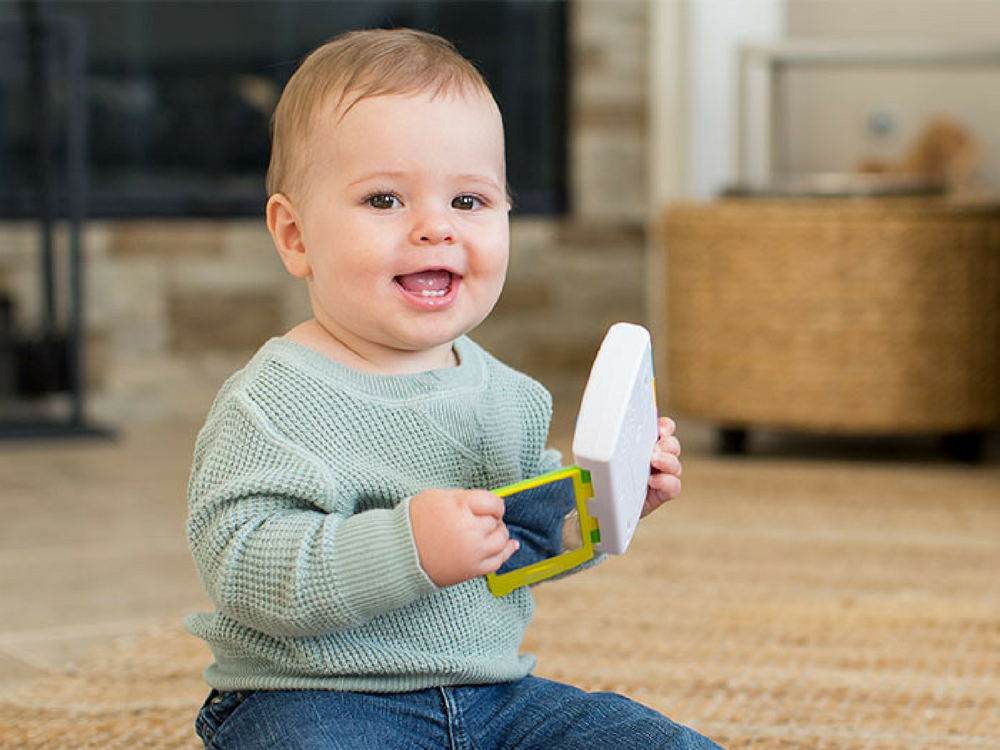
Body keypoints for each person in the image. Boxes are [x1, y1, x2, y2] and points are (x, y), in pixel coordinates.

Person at [186, 27, 724, 750]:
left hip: (494, 696)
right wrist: (406, 547)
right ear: (296, 236)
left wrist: (605, 503)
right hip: (316, 701)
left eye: (469, 202)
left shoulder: (507, 395)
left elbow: (517, 546)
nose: (435, 228)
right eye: (383, 199)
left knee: (655, 743)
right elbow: (243, 570)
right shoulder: (273, 402)